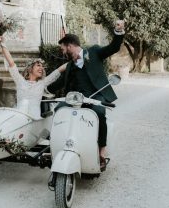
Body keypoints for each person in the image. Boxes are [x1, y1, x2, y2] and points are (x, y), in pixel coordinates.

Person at [47, 20, 125, 171]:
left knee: (99, 113)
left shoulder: (94, 52)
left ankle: (101, 152)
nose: (62, 52)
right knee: (59, 111)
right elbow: (60, 82)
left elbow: (113, 47)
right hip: (75, 98)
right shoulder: (70, 65)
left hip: (96, 96)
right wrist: (41, 88)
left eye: (63, 49)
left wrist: (119, 31)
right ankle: (62, 144)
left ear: (70, 46)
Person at [0, 36, 67, 119]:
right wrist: (2, 44)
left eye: (42, 67)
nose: (41, 68)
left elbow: (58, 70)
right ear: (30, 69)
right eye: (38, 65)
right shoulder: (20, 81)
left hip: (34, 120)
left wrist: (74, 61)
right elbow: (11, 63)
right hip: (18, 118)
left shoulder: (42, 83)